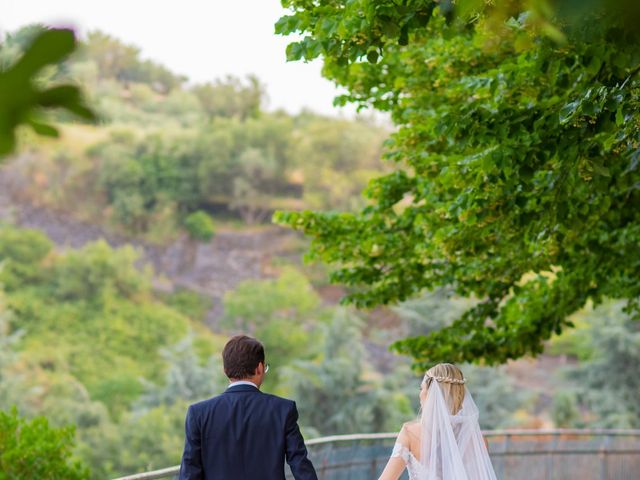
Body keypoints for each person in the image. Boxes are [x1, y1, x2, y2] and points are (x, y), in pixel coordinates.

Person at [179, 335, 318, 480]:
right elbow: (301, 467)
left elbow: (189, 474)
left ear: (225, 370)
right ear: (260, 367)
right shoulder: (283, 410)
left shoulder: (199, 414)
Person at [379, 363, 497, 480]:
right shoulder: (478, 441)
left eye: (422, 388)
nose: (420, 394)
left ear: (430, 394)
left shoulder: (410, 433)